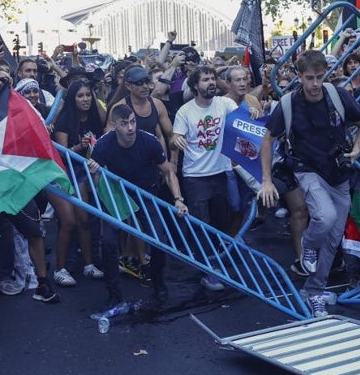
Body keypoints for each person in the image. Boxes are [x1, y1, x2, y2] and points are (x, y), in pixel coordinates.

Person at [258, 49, 360, 317]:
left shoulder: (338, 95)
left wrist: (356, 149)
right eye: (309, 78)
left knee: (332, 239)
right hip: (306, 169)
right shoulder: (288, 103)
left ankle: (314, 290)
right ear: (299, 77)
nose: (315, 84)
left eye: (320, 77)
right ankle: (307, 246)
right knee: (325, 216)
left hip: (338, 173)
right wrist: (266, 180)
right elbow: (267, 139)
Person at [88, 105, 188, 309]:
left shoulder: (148, 141)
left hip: (146, 193)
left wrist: (178, 199)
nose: (130, 128)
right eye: (124, 124)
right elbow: (96, 184)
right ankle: (114, 294)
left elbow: (168, 171)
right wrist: (94, 172)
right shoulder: (103, 145)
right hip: (118, 194)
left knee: (159, 242)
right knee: (108, 243)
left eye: (133, 122)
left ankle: (158, 284)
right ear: (114, 125)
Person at [170, 64, 237, 291]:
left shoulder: (224, 104)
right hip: (195, 177)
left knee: (220, 222)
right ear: (195, 86)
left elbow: (242, 118)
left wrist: (253, 112)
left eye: (213, 78)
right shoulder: (185, 111)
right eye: (205, 80)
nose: (211, 83)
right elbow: (174, 138)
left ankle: (214, 262)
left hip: (221, 173)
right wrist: (176, 140)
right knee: (201, 224)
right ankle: (207, 271)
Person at [50, 78, 104, 286]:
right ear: (73, 99)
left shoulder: (94, 118)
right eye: (80, 96)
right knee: (69, 221)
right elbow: (62, 154)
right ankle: (59, 269)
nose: (85, 99)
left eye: (88, 95)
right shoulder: (65, 120)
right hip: (63, 174)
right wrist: (80, 147)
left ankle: (88, 265)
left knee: (84, 219)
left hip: (82, 173)